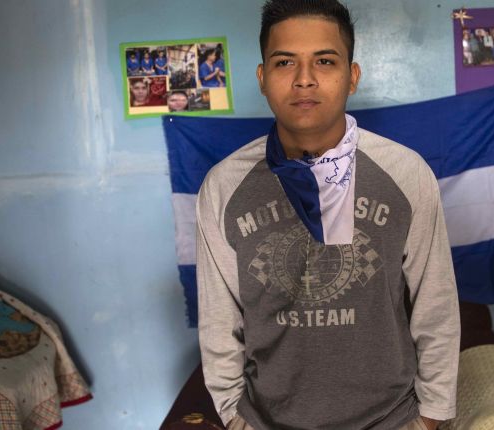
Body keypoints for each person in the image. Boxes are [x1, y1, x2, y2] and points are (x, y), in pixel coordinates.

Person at [196, 1, 460, 430]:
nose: (304, 79)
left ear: (352, 76)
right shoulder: (224, 187)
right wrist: (232, 414)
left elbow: (436, 306)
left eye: (324, 61)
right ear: (262, 78)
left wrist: (429, 417)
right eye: (285, 62)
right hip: (268, 422)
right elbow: (218, 320)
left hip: (391, 419)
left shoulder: (406, 174)